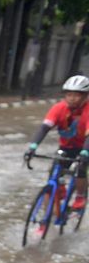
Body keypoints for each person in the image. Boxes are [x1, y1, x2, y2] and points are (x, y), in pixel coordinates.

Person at [25, 75, 89, 211]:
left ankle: (80, 196)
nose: (72, 98)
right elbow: (44, 128)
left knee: (81, 168)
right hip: (66, 146)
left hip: (85, 146)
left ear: (85, 97)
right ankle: (47, 218)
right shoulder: (59, 108)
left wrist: (84, 153)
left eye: (76, 95)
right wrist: (32, 147)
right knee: (52, 177)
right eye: (69, 94)